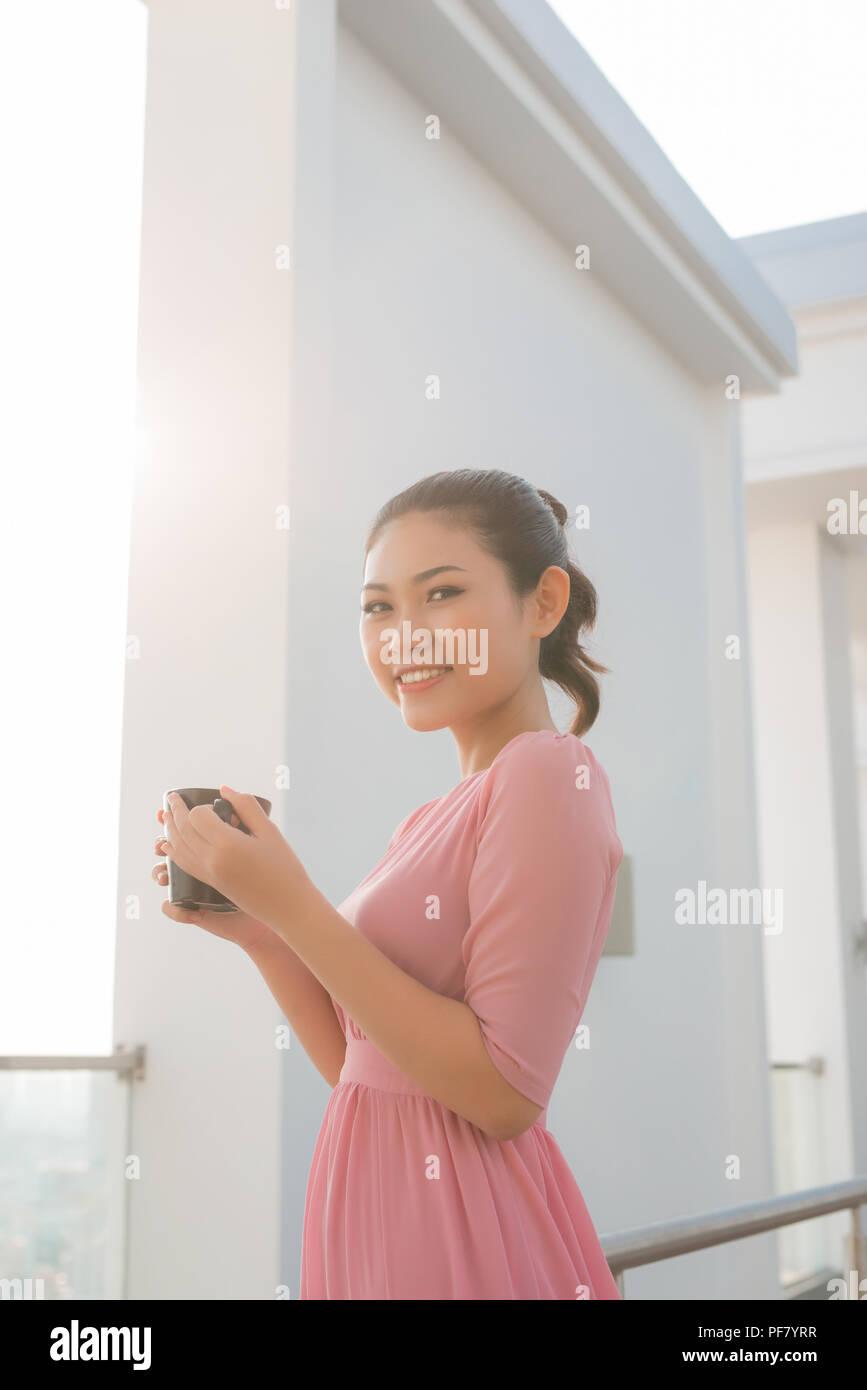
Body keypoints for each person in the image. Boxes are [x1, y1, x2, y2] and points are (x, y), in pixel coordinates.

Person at [153, 467, 623, 1299]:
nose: (403, 635)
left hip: (462, 1236)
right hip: (378, 1218)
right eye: (378, 607)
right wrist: (266, 930)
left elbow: (502, 1093)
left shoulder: (549, 775)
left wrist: (294, 900)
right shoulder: (431, 817)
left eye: (440, 595)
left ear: (542, 604)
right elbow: (365, 1068)